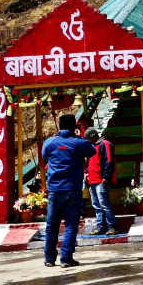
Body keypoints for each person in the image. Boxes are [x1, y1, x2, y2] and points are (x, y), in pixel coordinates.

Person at [41, 114, 96, 268]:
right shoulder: (78, 143)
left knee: (52, 225)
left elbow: (44, 156)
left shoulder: (49, 143)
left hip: (54, 190)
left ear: (59, 125)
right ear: (74, 127)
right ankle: (66, 258)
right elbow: (92, 150)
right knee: (71, 224)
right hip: (72, 189)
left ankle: (49, 258)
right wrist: (79, 136)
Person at [84, 128, 117, 235]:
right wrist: (87, 174)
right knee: (96, 205)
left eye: (89, 138)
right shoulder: (91, 147)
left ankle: (112, 226)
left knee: (104, 204)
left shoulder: (105, 144)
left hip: (100, 180)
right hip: (92, 180)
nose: (88, 141)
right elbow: (90, 162)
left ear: (93, 136)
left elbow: (109, 161)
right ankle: (100, 226)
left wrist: (106, 177)